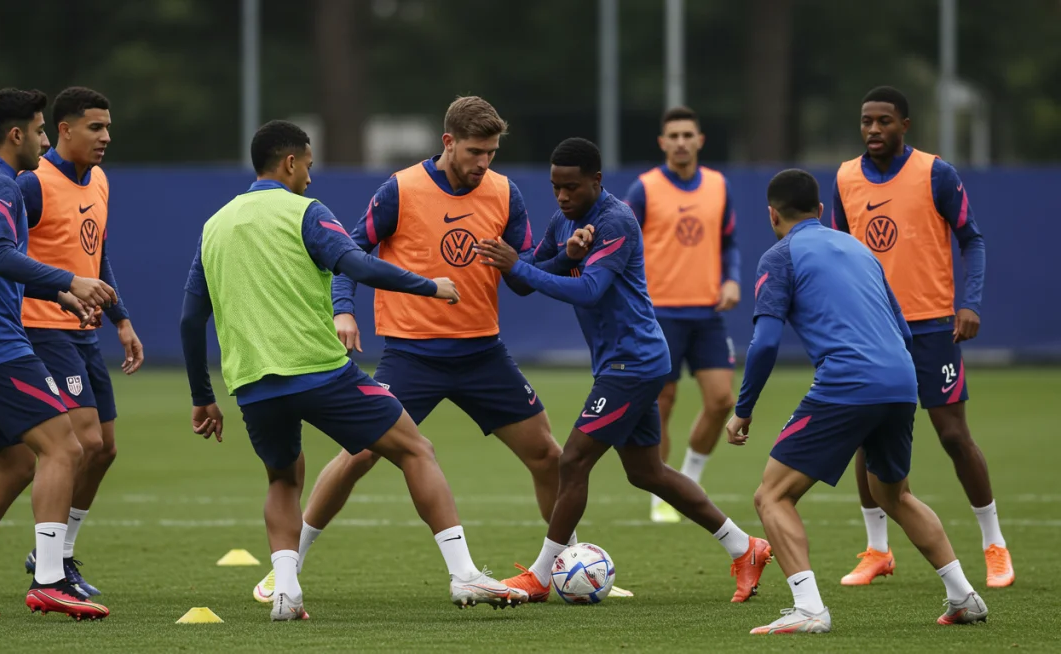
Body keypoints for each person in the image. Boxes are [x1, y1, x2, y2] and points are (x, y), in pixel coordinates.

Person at [251, 96, 632, 602]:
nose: (483, 163)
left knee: (548, 455)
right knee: (358, 455)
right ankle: (288, 566)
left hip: (482, 355)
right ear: (448, 142)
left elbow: (521, 277)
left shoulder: (504, 193)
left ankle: (572, 566)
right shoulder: (400, 190)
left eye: (492, 153)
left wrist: (568, 255)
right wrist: (344, 309)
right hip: (413, 356)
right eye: (475, 151)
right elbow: (349, 252)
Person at [179, 120, 528, 621]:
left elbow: (192, 318)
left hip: (253, 384)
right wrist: (429, 286)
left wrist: (201, 396)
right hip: (321, 373)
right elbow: (358, 266)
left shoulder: (215, 226)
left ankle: (287, 591)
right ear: (291, 163)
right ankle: (464, 573)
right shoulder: (307, 213)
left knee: (283, 481)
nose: (312, 179)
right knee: (415, 449)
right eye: (309, 167)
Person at [475, 137, 771, 604]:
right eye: (556, 187)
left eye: (572, 187)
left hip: (633, 361)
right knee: (647, 472)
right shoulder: (564, 220)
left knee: (572, 460)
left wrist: (543, 266)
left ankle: (539, 576)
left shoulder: (616, 220)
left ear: (596, 180)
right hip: (624, 360)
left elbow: (590, 290)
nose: (563, 197)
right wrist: (565, 256)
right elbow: (525, 282)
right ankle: (745, 546)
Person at [728, 168, 989, 634]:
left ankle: (809, 608)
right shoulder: (860, 249)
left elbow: (765, 343)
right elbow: (902, 328)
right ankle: (963, 594)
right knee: (895, 494)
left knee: (772, 495)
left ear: (772, 214)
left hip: (848, 382)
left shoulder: (779, 255)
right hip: (902, 379)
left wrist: (744, 409)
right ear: (823, 212)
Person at [0, 88, 114, 620]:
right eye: (39, 130)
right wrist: (71, 278)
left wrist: (61, 293)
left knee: (13, 465)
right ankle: (51, 578)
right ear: (17, 135)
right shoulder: (0, 185)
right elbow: (1, 256)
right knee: (66, 449)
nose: (45, 139)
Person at [831, 86, 1010, 588]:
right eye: (867, 121)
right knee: (869, 433)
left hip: (932, 325)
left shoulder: (936, 173)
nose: (873, 130)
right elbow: (840, 252)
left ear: (904, 125)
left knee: (953, 435)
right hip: (873, 328)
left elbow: (971, 238)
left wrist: (969, 303)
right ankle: (877, 551)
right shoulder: (846, 177)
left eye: (884, 121)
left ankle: (994, 544)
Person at [17, 87, 143, 597]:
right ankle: (53, 561)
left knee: (106, 449)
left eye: (108, 127)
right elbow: (4, 261)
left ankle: (57, 554)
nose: (106, 137)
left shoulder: (101, 181)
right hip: (43, 327)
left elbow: (97, 256)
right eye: (96, 127)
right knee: (83, 443)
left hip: (87, 331)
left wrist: (122, 319)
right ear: (63, 130)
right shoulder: (32, 185)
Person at [625, 106, 741, 524]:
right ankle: (662, 491)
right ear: (662, 143)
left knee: (723, 400)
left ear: (699, 140)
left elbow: (728, 242)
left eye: (687, 135)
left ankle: (689, 479)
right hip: (659, 315)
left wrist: (732, 279)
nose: (680, 142)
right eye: (672, 135)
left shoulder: (718, 185)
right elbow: (623, 242)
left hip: (707, 312)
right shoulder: (645, 189)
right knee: (662, 403)